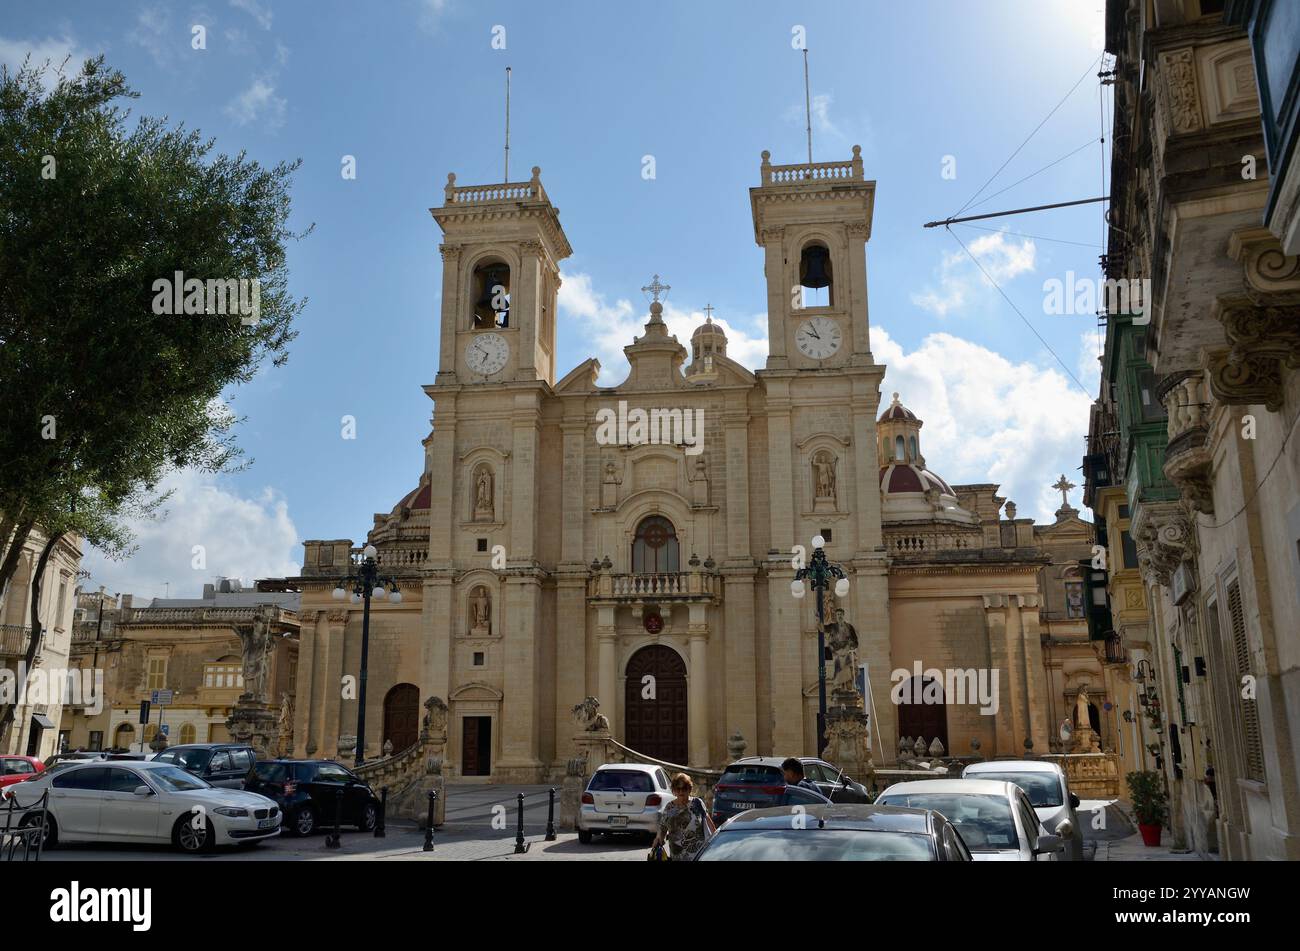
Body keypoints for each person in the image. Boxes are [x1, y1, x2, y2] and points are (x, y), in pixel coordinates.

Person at [652, 772, 716, 861]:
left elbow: (709, 823)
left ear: (689, 789)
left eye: (684, 788)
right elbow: (663, 827)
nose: (681, 792)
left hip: (698, 856)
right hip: (677, 856)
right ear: (674, 790)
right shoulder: (669, 807)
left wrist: (717, 841)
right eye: (678, 789)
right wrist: (658, 838)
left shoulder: (697, 803)